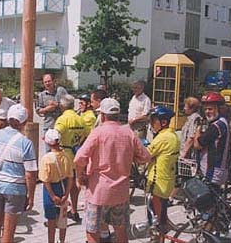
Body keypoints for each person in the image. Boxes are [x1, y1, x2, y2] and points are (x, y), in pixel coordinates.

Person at [74, 98, 151, 243]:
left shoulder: (98, 133)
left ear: (102, 115)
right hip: (121, 192)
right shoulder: (129, 134)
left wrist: (80, 176)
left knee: (92, 232)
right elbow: (146, 157)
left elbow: (79, 158)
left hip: (98, 192)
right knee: (121, 230)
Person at [0, 104, 37, 243]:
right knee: (9, 229)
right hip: (15, 188)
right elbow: (30, 174)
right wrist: (31, 196)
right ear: (24, 123)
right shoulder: (26, 143)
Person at [145, 106, 180, 241]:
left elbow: (146, 155)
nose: (151, 124)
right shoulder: (173, 136)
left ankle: (157, 240)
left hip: (156, 183)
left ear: (163, 122)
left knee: (155, 219)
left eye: (153, 120)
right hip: (167, 182)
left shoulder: (162, 138)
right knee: (162, 216)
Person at [54, 94, 87, 223]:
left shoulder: (62, 120)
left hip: (64, 156)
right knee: (75, 186)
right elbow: (86, 136)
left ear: (62, 106)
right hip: (76, 155)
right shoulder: (80, 119)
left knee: (63, 187)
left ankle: (60, 217)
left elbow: (55, 136)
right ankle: (74, 211)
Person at [39, 129, 73, 243]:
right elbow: (70, 177)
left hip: (50, 191)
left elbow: (45, 180)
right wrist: (66, 194)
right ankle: (62, 241)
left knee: (51, 219)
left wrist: (52, 196)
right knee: (63, 218)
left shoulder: (46, 159)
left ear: (48, 143)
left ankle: (51, 241)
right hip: (63, 187)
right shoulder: (66, 156)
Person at [194, 92, 231, 187]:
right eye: (205, 109)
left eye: (210, 109)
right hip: (219, 171)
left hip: (211, 172)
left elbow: (197, 145)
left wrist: (198, 128)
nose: (207, 112)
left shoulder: (216, 126)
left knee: (204, 200)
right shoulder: (224, 123)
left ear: (219, 109)